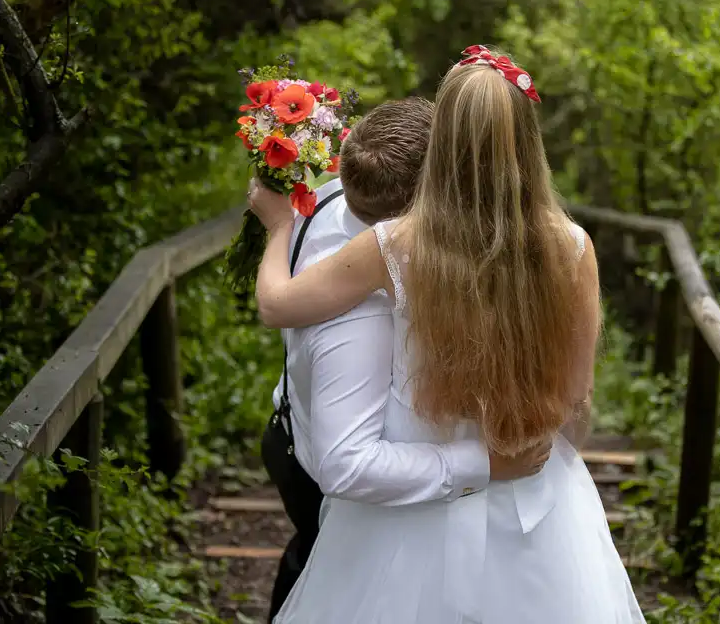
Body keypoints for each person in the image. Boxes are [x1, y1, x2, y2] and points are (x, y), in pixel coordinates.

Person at [249, 46, 645, 623]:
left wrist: (280, 227)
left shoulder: (394, 246)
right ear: (528, 143)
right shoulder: (574, 249)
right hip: (534, 492)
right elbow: (574, 401)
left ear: (443, 145)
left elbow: (277, 305)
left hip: (409, 512)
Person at [259, 96, 552, 621]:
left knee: (314, 570)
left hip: (295, 425)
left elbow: (274, 300)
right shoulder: (363, 306)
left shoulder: (328, 198)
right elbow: (347, 465)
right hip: (329, 465)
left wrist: (278, 227)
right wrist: (484, 464)